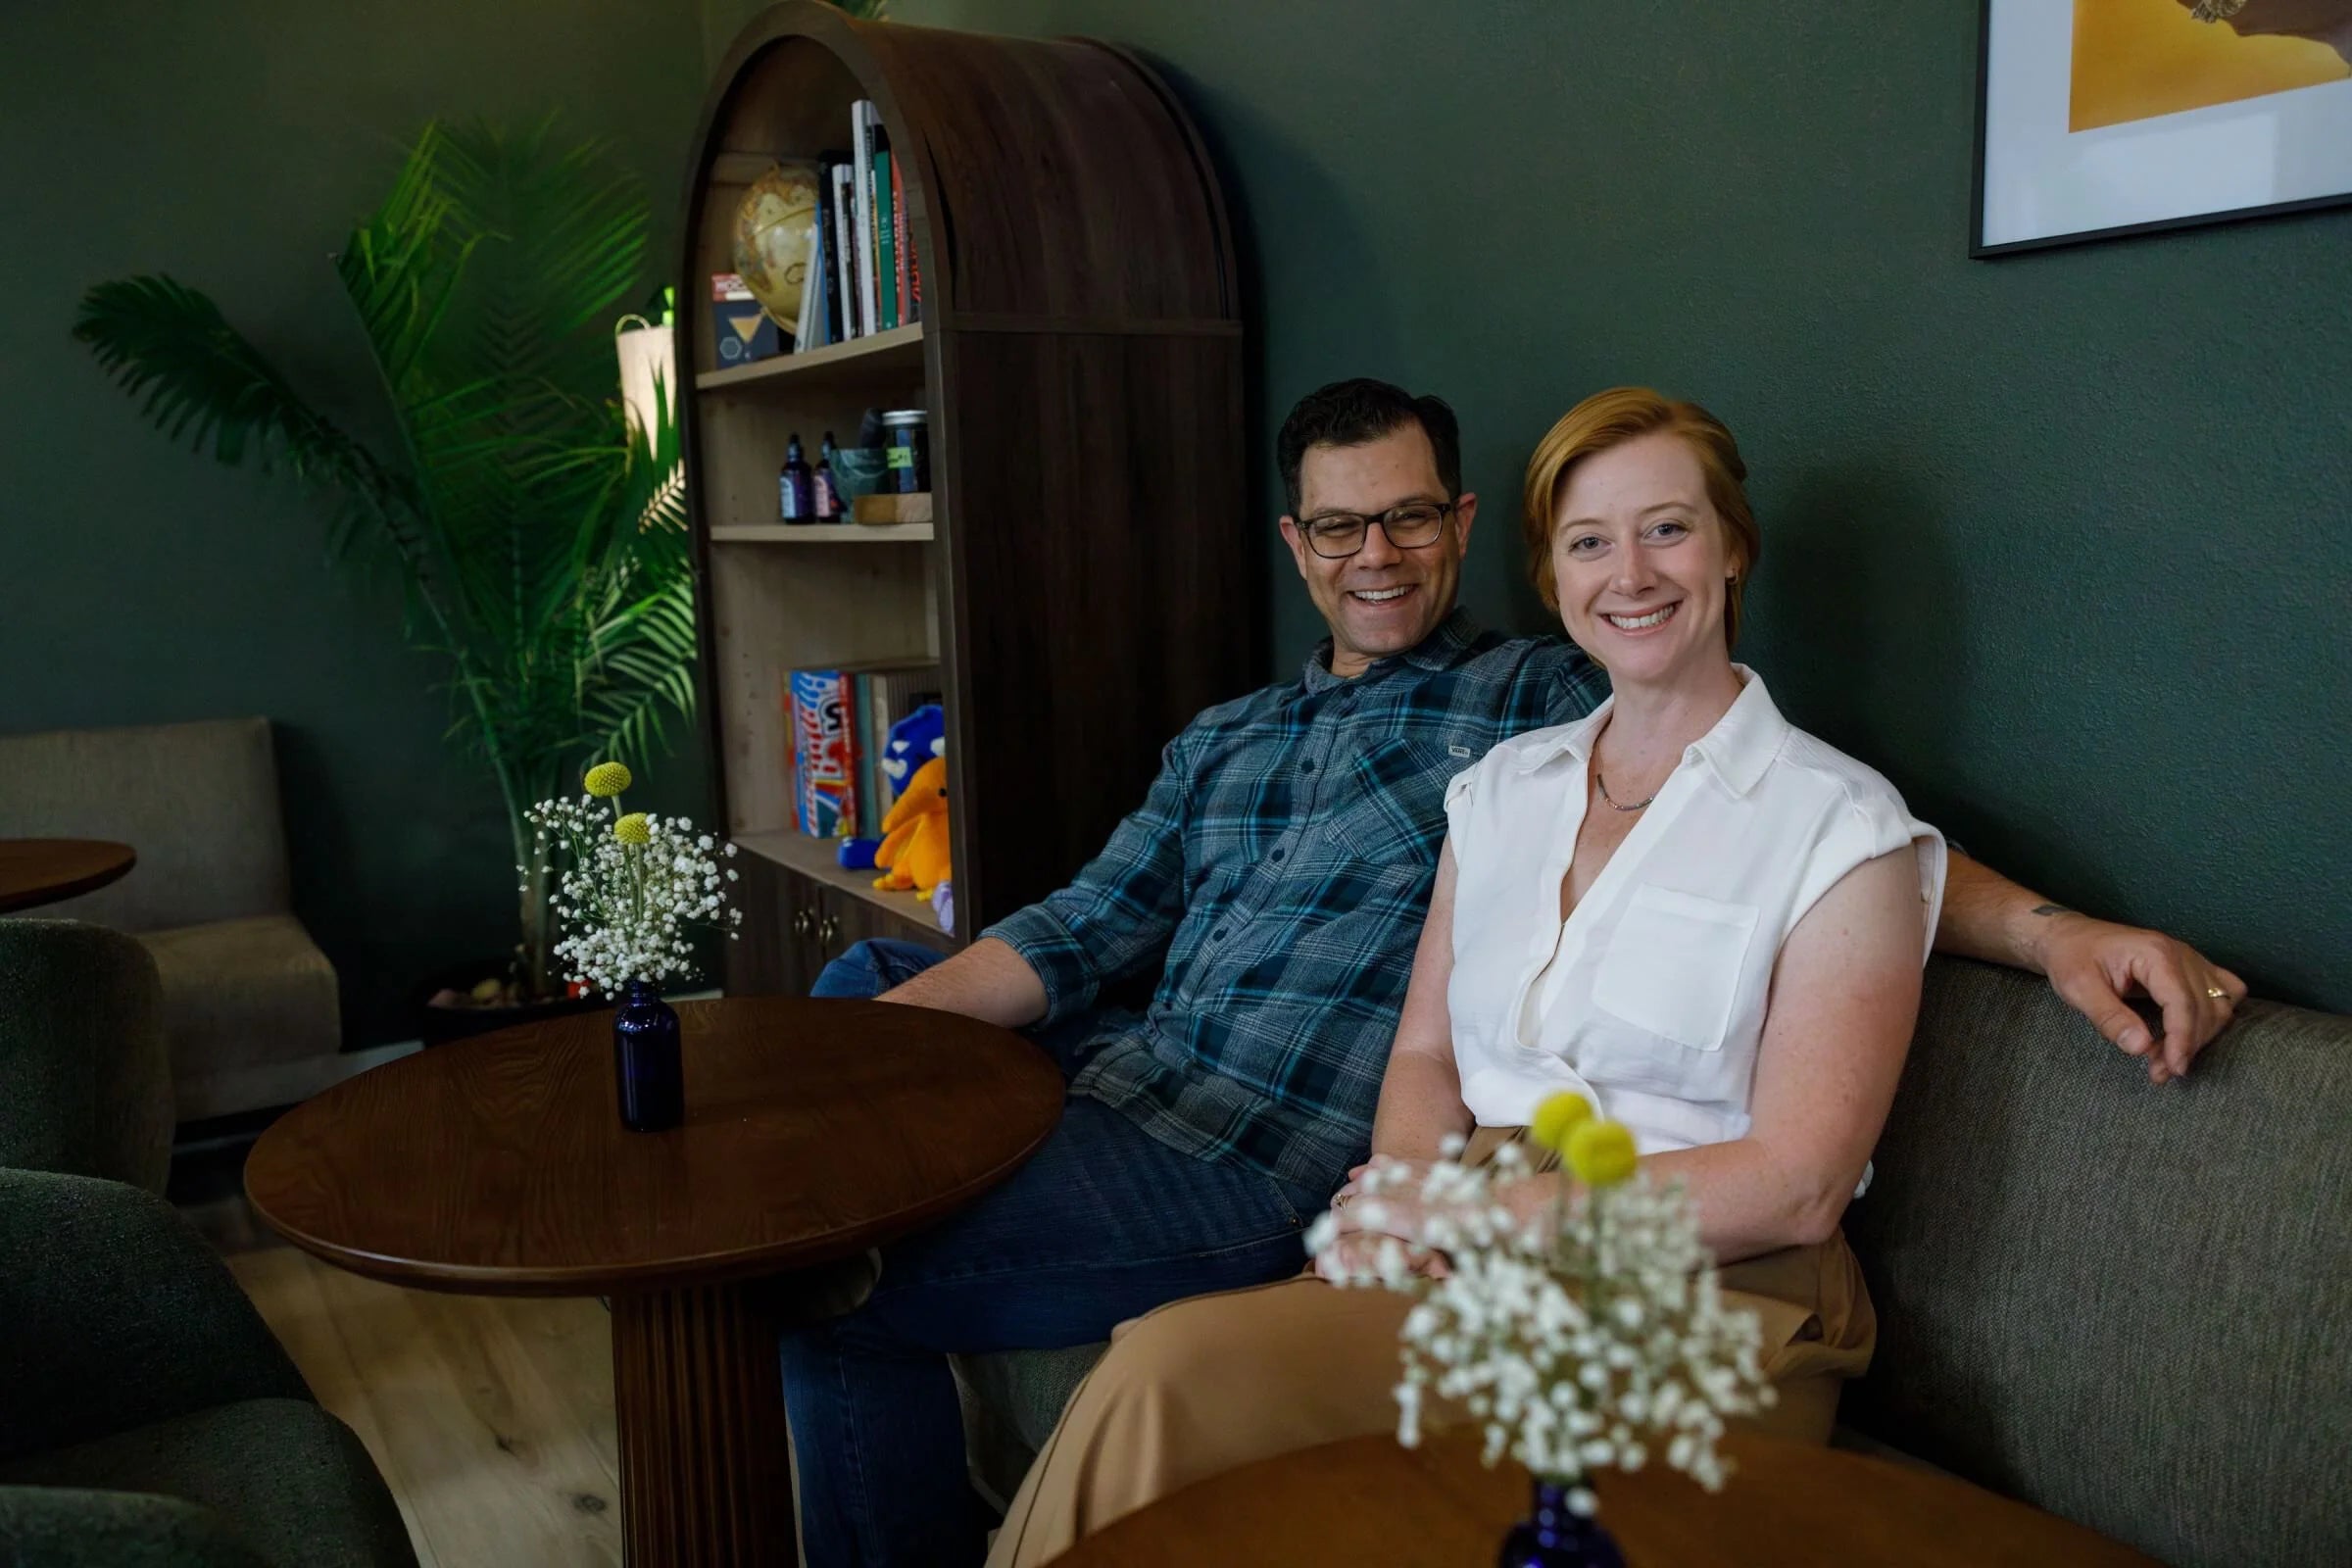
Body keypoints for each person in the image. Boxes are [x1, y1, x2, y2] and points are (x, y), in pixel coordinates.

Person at [784, 379, 2246, 1568]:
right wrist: (1417, 1200)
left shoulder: (1803, 807)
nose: (1632, 574)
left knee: (1154, 1367)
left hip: (1690, 1277)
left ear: (1732, 547)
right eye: (1595, 544)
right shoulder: (1505, 781)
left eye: (1668, 531)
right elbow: (1398, 1052)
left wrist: (2054, 933)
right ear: (1546, 569)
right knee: (870, 1027)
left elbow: (1811, 1135)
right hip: (1440, 1210)